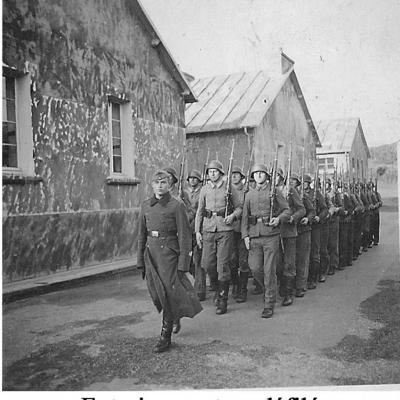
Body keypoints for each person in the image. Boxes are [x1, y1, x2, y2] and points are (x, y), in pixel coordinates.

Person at [137, 170, 202, 353]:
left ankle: (165, 335)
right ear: (152, 185)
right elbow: (141, 234)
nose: (159, 185)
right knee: (158, 291)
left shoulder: (176, 206)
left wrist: (183, 262)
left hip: (170, 255)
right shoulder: (145, 206)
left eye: (163, 182)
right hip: (152, 255)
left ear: (169, 185)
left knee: (167, 292)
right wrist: (140, 260)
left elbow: (185, 236)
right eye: (156, 182)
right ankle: (174, 316)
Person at [241, 164, 290, 318]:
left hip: (271, 235)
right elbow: (244, 217)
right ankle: (270, 290)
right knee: (255, 268)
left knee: (269, 270)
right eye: (256, 174)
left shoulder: (274, 192)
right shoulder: (249, 194)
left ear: (266, 176)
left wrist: (278, 219)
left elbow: (287, 210)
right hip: (254, 235)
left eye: (261, 173)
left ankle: (269, 302)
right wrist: (245, 236)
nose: (259, 176)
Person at [195, 160, 243, 315]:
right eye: (210, 171)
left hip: (225, 229)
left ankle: (223, 300)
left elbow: (240, 207)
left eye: (215, 171)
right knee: (207, 264)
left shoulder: (229, 188)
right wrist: (197, 231)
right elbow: (200, 211)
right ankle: (216, 288)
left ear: (221, 173)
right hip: (208, 229)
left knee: (222, 265)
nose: (212, 174)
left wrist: (233, 216)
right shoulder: (204, 189)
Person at [276, 168, 306, 306]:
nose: (275, 178)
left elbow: (302, 209)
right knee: (277, 263)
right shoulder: (270, 191)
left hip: (288, 231)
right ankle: (281, 286)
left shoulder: (290, 190)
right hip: (273, 232)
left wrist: (293, 218)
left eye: (277, 175)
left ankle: (289, 292)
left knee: (289, 262)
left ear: (282, 177)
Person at [184, 169, 206, 301]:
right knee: (188, 261)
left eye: (195, 178)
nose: (192, 180)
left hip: (199, 229)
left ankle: (200, 289)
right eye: (190, 178)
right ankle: (198, 281)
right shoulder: (184, 193)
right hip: (186, 230)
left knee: (198, 260)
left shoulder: (203, 192)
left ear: (199, 180)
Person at [230, 166, 251, 303]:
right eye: (232, 174)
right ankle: (235, 284)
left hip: (244, 228)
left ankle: (243, 288)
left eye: (237, 174)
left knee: (243, 261)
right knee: (231, 260)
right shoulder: (228, 190)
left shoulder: (247, 190)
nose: (234, 177)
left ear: (242, 177)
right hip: (230, 228)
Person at [304, 174, 328, 289]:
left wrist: (319, 217)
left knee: (315, 252)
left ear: (309, 183)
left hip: (315, 226)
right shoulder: (297, 194)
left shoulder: (316, 193)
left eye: (306, 182)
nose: (303, 184)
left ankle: (314, 277)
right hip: (303, 226)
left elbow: (324, 209)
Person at [294, 173, 315, 297]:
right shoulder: (286, 195)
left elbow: (312, 211)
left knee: (302, 259)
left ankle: (301, 286)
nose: (291, 183)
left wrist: (307, 219)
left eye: (294, 181)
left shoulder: (303, 196)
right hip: (289, 231)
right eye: (289, 181)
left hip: (303, 230)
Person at [325, 178, 343, 275]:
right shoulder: (320, 193)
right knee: (325, 244)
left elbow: (341, 206)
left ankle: (333, 264)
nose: (326, 185)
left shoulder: (335, 194)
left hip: (333, 221)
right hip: (325, 221)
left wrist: (336, 209)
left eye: (327, 183)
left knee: (333, 243)